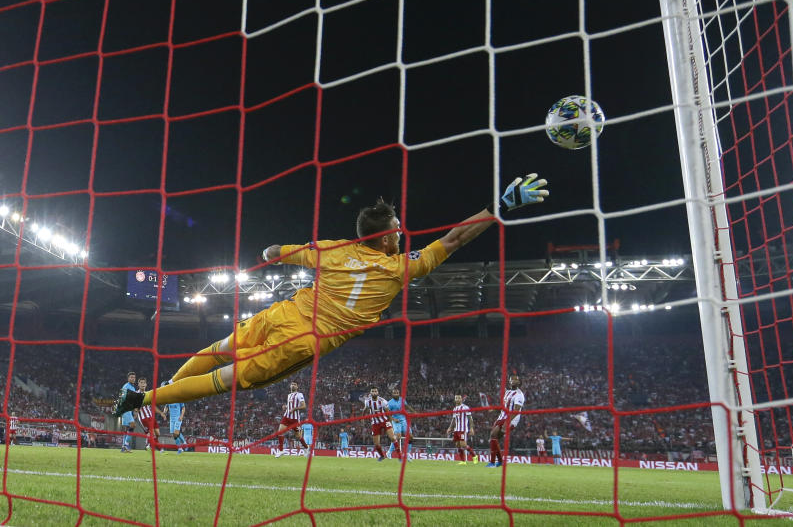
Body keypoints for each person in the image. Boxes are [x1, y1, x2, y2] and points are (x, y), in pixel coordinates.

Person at [113, 175, 549, 417]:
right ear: (385, 239)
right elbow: (453, 240)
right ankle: (144, 400)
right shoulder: (401, 267)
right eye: (397, 226)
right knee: (226, 380)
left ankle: (164, 387)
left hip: (281, 314)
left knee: (219, 348)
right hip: (304, 339)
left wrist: (272, 252)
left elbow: (283, 251)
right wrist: (499, 207)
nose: (402, 229)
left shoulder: (335, 250)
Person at [487, 374, 524, 468]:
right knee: (494, 438)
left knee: (493, 435)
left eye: (515, 380)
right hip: (501, 417)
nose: (513, 381)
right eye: (511, 379)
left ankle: (492, 462)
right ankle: (500, 461)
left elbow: (515, 411)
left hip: (511, 419)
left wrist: (507, 422)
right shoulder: (507, 392)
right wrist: (494, 409)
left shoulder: (519, 395)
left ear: (519, 382)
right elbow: (504, 406)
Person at [362, 386, 397, 461]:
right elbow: (365, 410)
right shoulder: (367, 401)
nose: (374, 392)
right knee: (376, 444)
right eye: (373, 391)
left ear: (378, 392)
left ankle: (399, 454)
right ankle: (382, 456)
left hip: (384, 421)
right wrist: (362, 419)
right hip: (375, 423)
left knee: (393, 438)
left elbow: (388, 413)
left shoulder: (383, 401)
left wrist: (391, 423)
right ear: (370, 393)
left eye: (375, 391)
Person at [446, 394, 477, 465]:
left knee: (464, 445)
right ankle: (463, 461)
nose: (457, 399)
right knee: (457, 445)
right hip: (456, 429)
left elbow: (470, 418)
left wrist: (471, 428)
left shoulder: (465, 407)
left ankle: (474, 456)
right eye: (456, 398)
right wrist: (450, 427)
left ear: (461, 399)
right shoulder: (455, 409)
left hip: (463, 429)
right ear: (454, 399)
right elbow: (453, 419)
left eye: (459, 398)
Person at [135, 378, 163, 452]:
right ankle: (160, 449)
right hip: (143, 418)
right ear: (138, 384)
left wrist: (161, 413)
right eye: (141, 382)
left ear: (146, 384)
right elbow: (134, 406)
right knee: (152, 433)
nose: (143, 384)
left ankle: (148, 444)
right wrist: (135, 412)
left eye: (144, 383)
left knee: (158, 433)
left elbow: (152, 406)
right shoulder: (136, 394)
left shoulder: (148, 394)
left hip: (151, 416)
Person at [278, 382, 308, 450]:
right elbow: (290, 406)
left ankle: (306, 448)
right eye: (292, 384)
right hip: (287, 417)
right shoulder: (289, 395)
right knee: (280, 432)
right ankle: (280, 450)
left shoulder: (299, 395)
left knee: (298, 436)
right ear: (290, 386)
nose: (293, 385)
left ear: (297, 387)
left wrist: (294, 409)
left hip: (295, 419)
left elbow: (303, 406)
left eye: (295, 384)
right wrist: (286, 407)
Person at [160, 381, 187, 454]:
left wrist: (181, 416)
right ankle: (180, 448)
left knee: (175, 433)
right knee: (174, 435)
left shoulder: (177, 397)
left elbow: (183, 408)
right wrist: (164, 412)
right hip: (171, 419)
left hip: (178, 418)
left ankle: (184, 443)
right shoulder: (168, 398)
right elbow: (166, 406)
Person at [386, 388, 411, 460]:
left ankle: (407, 454)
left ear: (399, 393)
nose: (396, 394)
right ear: (392, 394)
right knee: (398, 436)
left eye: (397, 392)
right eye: (394, 393)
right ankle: (389, 452)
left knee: (409, 436)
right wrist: (393, 419)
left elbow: (406, 407)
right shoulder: (389, 403)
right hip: (395, 420)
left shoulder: (402, 400)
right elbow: (388, 414)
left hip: (403, 420)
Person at [119, 371, 138, 452]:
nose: (133, 379)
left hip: (128, 409)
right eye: (131, 377)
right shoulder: (127, 386)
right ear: (128, 378)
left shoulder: (132, 387)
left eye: (134, 377)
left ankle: (123, 447)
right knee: (132, 426)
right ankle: (126, 445)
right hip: (126, 409)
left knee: (127, 428)